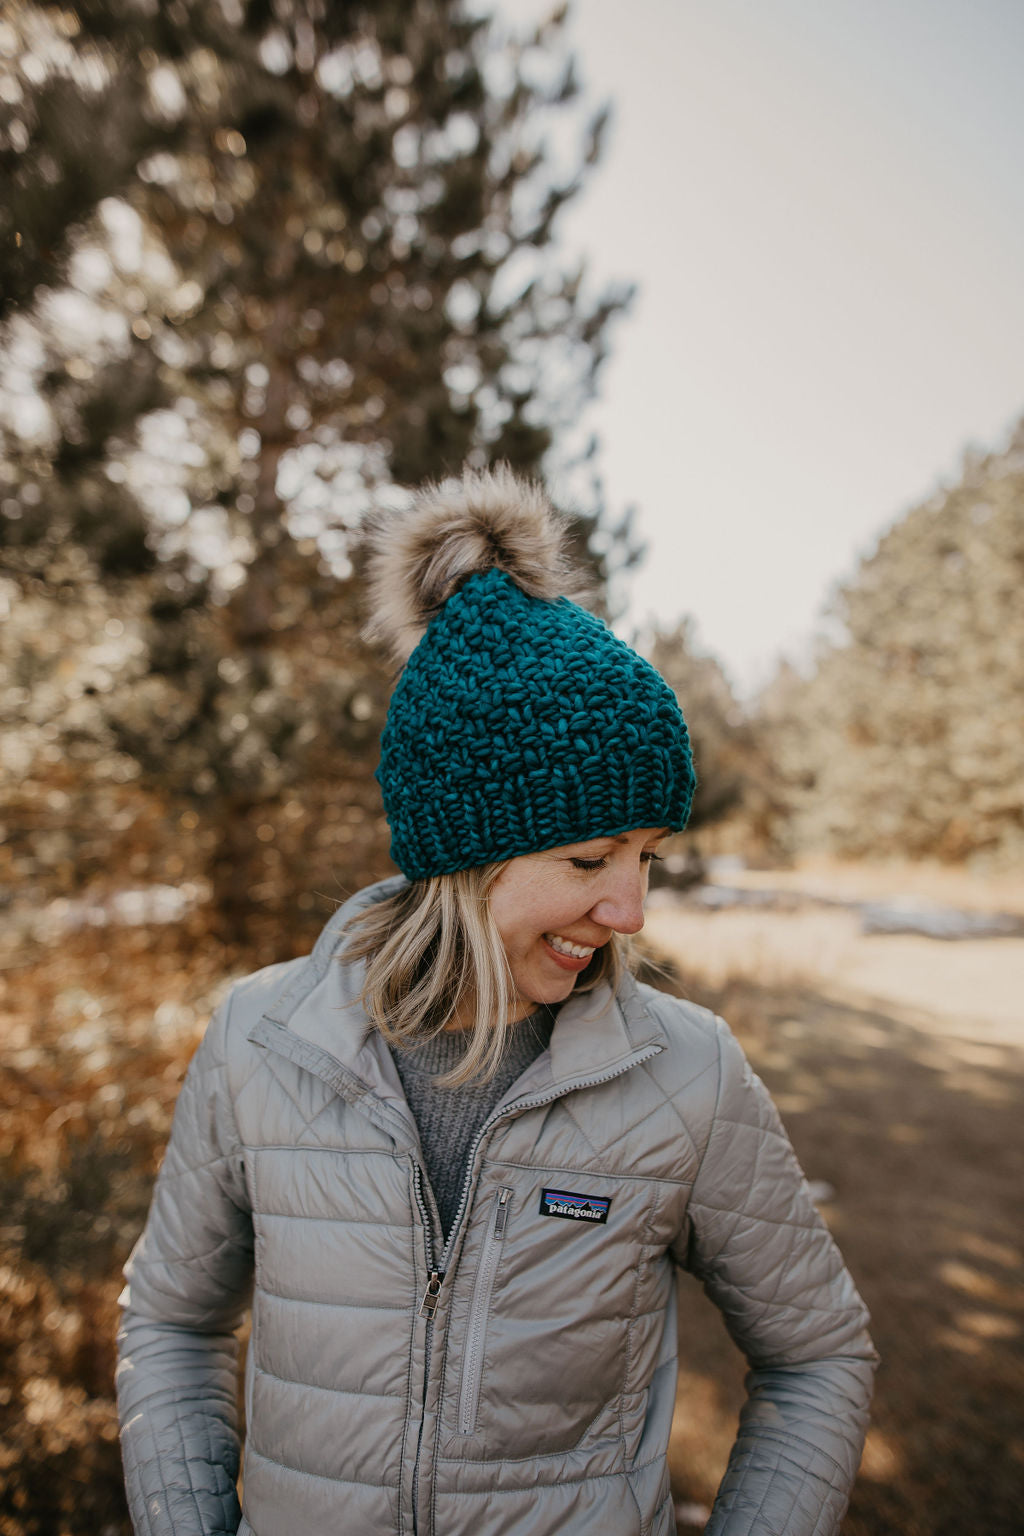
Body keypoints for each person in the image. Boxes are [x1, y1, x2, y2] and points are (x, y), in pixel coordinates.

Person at [116, 466, 876, 1536]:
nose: (630, 910)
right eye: (588, 858)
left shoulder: (686, 1078)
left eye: (648, 859)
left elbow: (816, 1355)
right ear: (462, 860)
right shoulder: (259, 1040)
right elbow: (171, 1321)